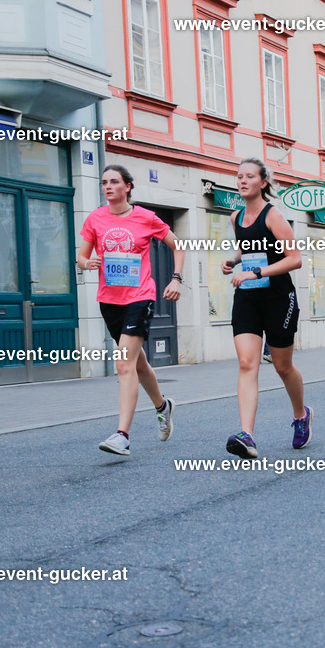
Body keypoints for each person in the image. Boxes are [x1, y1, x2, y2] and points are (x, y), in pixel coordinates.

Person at [78, 165, 183, 456]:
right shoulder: (95, 219)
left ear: (128, 187)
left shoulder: (145, 217)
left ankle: (122, 435)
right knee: (138, 364)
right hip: (109, 300)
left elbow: (178, 245)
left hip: (140, 297)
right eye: (104, 182)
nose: (108, 186)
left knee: (123, 363)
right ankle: (163, 406)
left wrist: (176, 278)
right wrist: (88, 264)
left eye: (114, 182)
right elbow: (81, 256)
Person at [222, 158, 311, 458]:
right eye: (239, 177)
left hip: (278, 297)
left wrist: (257, 272)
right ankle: (247, 434)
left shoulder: (274, 216)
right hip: (247, 296)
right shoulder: (235, 218)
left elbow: (294, 259)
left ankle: (301, 414)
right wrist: (234, 261)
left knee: (283, 367)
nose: (243, 181)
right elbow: (248, 247)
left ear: (263, 182)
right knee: (248, 363)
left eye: (250, 176)